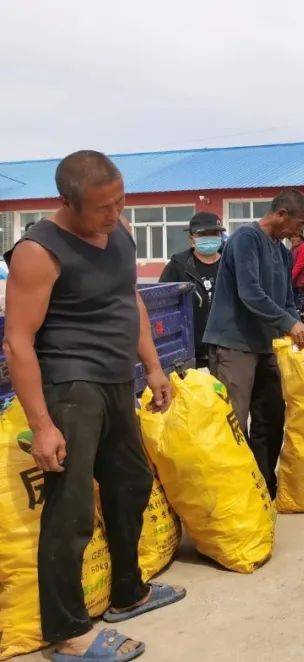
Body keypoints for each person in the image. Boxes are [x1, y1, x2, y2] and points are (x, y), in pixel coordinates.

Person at [2, 151, 185, 661]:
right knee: (71, 508)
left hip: (115, 380)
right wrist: (42, 425)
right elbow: (18, 342)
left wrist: (152, 366)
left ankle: (128, 592)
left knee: (131, 483)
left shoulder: (119, 231)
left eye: (120, 202)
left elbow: (130, 300)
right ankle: (68, 631)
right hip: (69, 388)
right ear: (66, 202)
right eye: (103, 207)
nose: (115, 214)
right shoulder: (39, 251)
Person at [203, 189, 304, 498]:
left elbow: (287, 301)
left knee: (272, 417)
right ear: (281, 215)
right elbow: (249, 293)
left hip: (268, 346)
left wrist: (298, 325)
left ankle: (263, 484)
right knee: (234, 421)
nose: (299, 232)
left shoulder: (282, 251)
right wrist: (287, 322)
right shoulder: (245, 240)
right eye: (299, 224)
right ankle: (235, 492)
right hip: (235, 344)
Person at [159, 212, 225, 368]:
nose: (209, 237)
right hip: (188, 352)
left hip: (225, 352)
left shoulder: (230, 263)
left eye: (214, 233)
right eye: (202, 234)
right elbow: (162, 303)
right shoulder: (178, 265)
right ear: (191, 238)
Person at [289, 231, 304, 315]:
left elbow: (298, 266)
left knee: (299, 309)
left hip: (302, 284)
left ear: (300, 238)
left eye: (295, 236)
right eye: (291, 237)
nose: (292, 239)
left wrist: (288, 279)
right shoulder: (294, 248)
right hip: (297, 283)